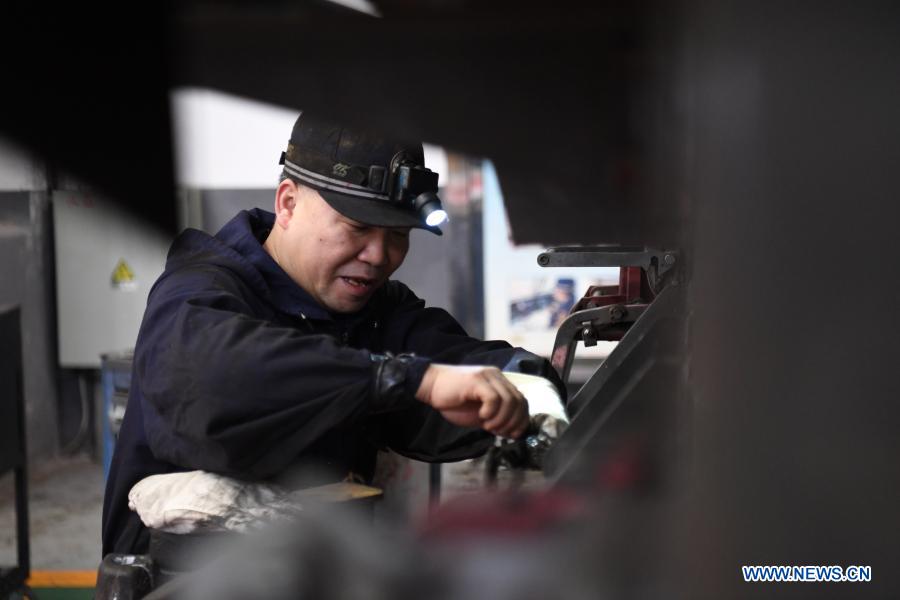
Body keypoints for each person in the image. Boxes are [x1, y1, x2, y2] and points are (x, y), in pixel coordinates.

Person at [101, 113, 565, 556]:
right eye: (357, 227)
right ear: (287, 203)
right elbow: (223, 382)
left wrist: (523, 384)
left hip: (313, 571)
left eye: (398, 234)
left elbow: (444, 356)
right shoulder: (199, 294)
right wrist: (408, 380)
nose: (378, 255)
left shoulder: (374, 312)